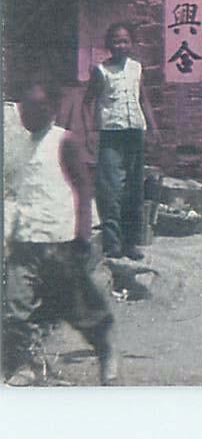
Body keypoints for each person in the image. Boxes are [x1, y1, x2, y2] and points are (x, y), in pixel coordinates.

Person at [4, 76, 119, 386]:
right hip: (25, 239)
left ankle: (105, 351)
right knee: (16, 307)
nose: (28, 115)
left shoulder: (63, 140)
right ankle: (27, 363)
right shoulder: (17, 145)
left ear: (51, 109)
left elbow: (83, 187)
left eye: (36, 108)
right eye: (24, 109)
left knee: (77, 307)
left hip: (60, 239)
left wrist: (83, 233)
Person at [83, 22, 159, 260]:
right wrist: (89, 132)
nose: (121, 45)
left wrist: (153, 127)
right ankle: (112, 242)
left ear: (131, 43)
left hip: (135, 133)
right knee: (111, 188)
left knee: (134, 190)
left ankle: (130, 243)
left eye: (125, 40)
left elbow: (143, 100)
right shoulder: (101, 71)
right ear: (109, 45)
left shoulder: (136, 68)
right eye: (116, 41)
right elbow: (88, 102)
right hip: (111, 134)